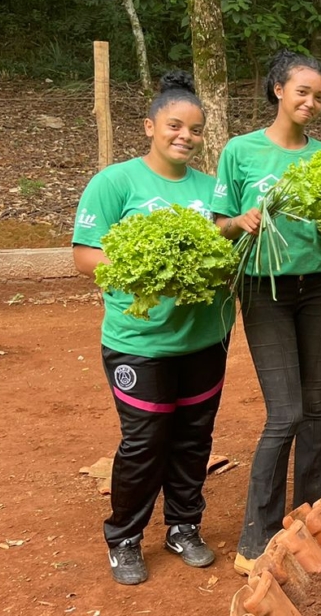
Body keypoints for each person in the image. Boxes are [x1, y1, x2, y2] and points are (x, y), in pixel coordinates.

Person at [73, 72, 231, 584]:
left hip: (204, 337)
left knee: (193, 437)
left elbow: (229, 249)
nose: (185, 136)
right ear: (150, 126)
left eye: (196, 129)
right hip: (138, 342)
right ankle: (124, 537)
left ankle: (184, 526)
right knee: (144, 442)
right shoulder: (115, 183)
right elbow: (83, 256)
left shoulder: (212, 190)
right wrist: (142, 273)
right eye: (174, 125)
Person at [213, 50, 321, 574]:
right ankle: (257, 538)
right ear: (278, 90)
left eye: (319, 96)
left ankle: (312, 521)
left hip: (318, 289)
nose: (310, 102)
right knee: (284, 412)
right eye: (302, 91)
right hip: (263, 290)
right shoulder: (240, 152)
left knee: (315, 410)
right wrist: (238, 221)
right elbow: (216, 222)